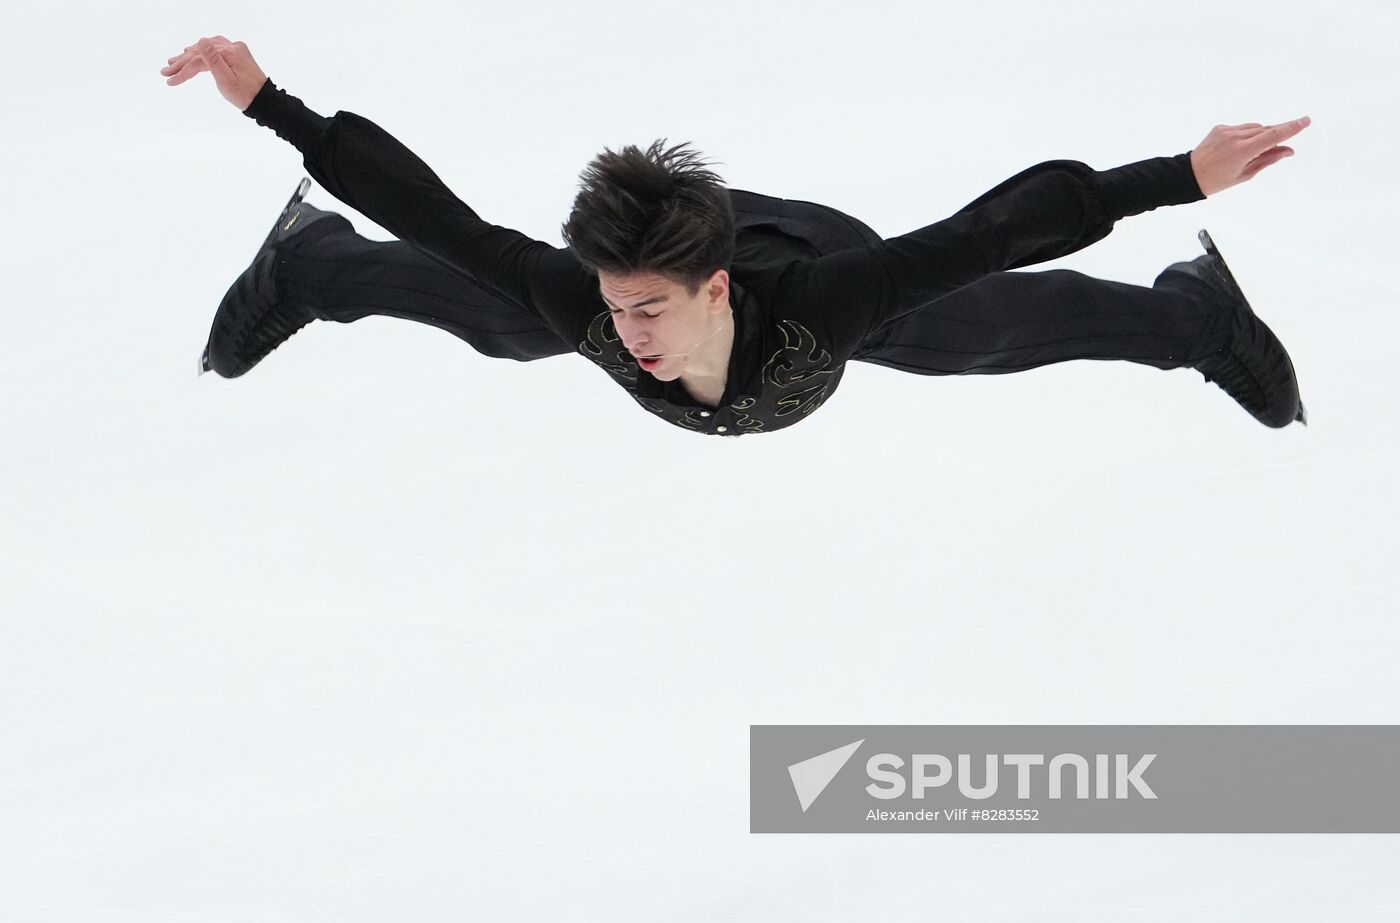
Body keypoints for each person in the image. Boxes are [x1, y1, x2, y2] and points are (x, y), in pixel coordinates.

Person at [161, 36, 1311, 436]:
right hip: (688, 260)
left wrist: (1180, 177)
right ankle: (310, 262)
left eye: (648, 308)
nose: (626, 333)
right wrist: (272, 105)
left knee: (971, 327)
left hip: (798, 247)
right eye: (615, 303)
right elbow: (436, 213)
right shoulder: (597, 305)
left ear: (709, 290)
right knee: (510, 314)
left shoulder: (826, 303)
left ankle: (1191, 315)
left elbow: (993, 230)